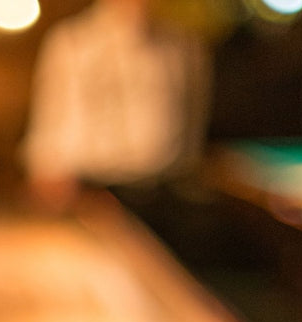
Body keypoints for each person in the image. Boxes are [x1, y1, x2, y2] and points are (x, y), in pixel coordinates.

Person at [21, 0, 211, 220]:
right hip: (94, 190)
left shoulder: (184, 44)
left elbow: (193, 117)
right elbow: (53, 111)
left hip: (165, 189)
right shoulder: (73, 40)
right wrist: (48, 168)